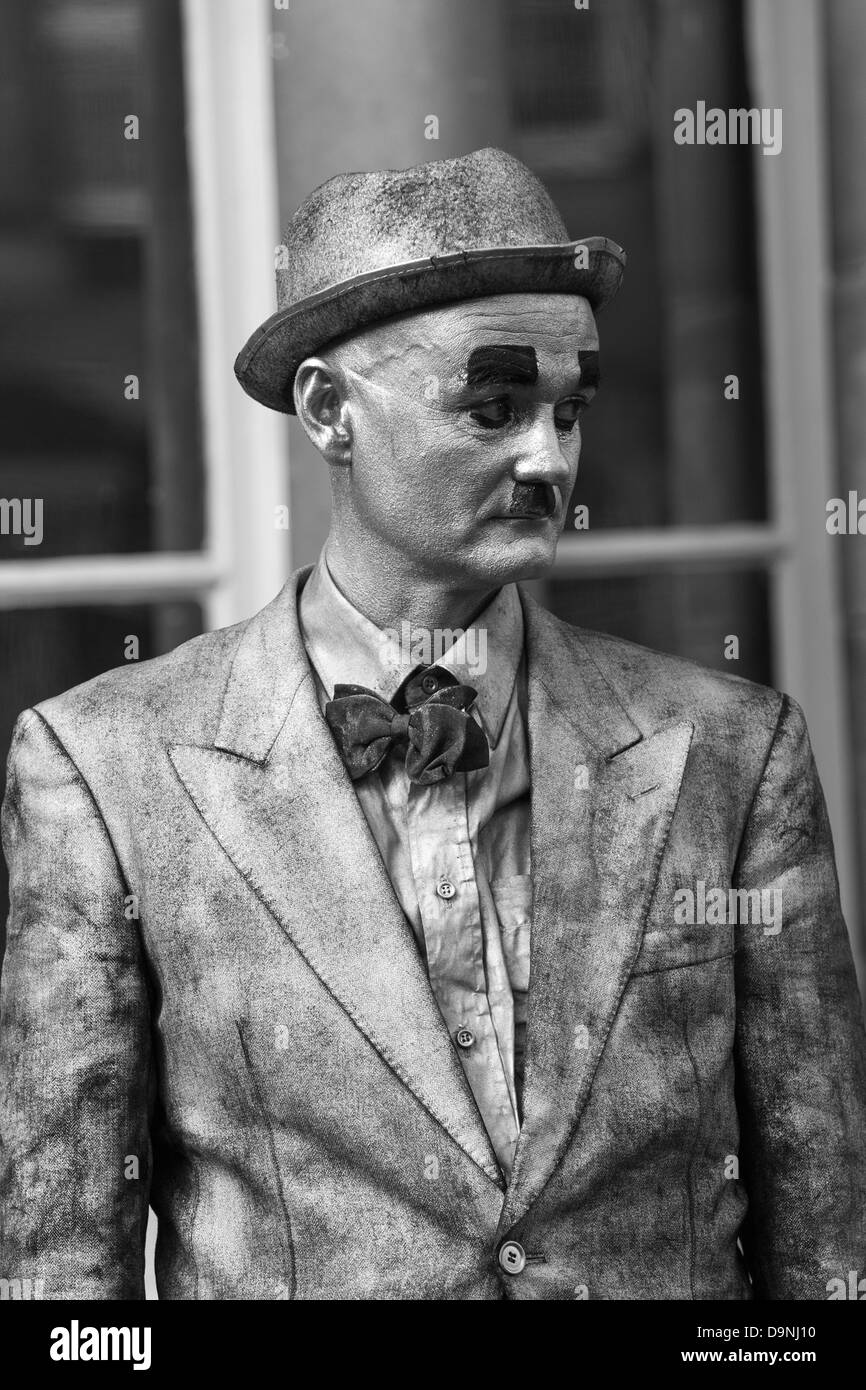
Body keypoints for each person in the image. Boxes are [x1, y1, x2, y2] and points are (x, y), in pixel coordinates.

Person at [1, 147, 864, 1301]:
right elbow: (59, 1276)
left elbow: (828, 1239)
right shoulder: (102, 768)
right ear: (327, 410)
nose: (547, 458)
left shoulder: (731, 752)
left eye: (568, 411)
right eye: (492, 406)